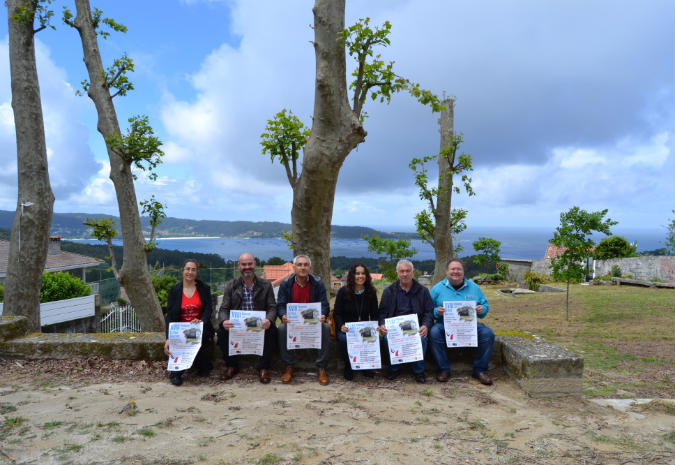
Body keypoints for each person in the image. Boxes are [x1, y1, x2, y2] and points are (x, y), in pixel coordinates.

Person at [429, 258, 495, 385]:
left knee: (488, 334)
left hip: (469, 325)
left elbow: (485, 306)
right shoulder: (437, 289)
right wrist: (437, 312)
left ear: (463, 271)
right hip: (444, 324)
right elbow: (427, 310)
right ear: (447, 271)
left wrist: (482, 309)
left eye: (459, 269)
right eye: (452, 269)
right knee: (434, 333)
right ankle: (443, 369)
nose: (456, 272)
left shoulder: (474, 287)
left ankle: (479, 370)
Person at [217, 252, 277, 384]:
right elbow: (224, 309)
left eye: (250, 264)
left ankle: (263, 368)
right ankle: (231, 366)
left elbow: (272, 307)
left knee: (272, 330)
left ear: (254, 264)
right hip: (238, 326)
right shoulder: (231, 285)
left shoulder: (266, 285)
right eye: (244, 264)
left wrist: (269, 320)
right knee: (221, 331)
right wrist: (223, 321)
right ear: (239, 266)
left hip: (259, 326)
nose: (247, 267)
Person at [276, 254, 331, 385]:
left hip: (313, 322)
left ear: (310, 268)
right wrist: (283, 315)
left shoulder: (318, 284)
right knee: (282, 328)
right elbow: (281, 305)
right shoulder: (285, 284)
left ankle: (321, 367)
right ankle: (288, 366)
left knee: (326, 328)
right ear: (294, 268)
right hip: (293, 323)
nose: (303, 268)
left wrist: (323, 314)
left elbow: (325, 305)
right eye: (299, 265)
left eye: (306, 265)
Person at [378, 259, 433, 383]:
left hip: (416, 327)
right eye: (402, 271)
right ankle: (394, 369)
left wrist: (426, 325)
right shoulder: (389, 291)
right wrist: (382, 324)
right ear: (397, 273)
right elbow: (382, 312)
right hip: (395, 329)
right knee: (387, 339)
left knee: (422, 338)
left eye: (408, 271)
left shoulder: (423, 290)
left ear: (413, 272)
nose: (405, 274)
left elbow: (429, 312)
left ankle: (418, 371)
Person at [164, 259, 215, 386]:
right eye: (187, 269)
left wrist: (201, 321)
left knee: (193, 337)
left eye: (193, 269)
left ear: (197, 272)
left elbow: (209, 309)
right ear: (182, 271)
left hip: (200, 328)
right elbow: (169, 316)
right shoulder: (174, 290)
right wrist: (168, 338)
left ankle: (197, 364)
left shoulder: (204, 288)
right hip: (180, 329)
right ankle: (176, 373)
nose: (190, 272)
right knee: (181, 339)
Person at [333, 262, 379, 380]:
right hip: (347, 328)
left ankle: (365, 365)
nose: (360, 276)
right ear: (352, 275)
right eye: (357, 273)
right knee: (343, 339)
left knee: (371, 337)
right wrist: (341, 325)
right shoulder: (343, 291)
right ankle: (349, 365)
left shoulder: (371, 292)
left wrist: (375, 325)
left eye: (363, 273)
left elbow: (374, 313)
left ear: (367, 276)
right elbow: (337, 313)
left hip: (364, 328)